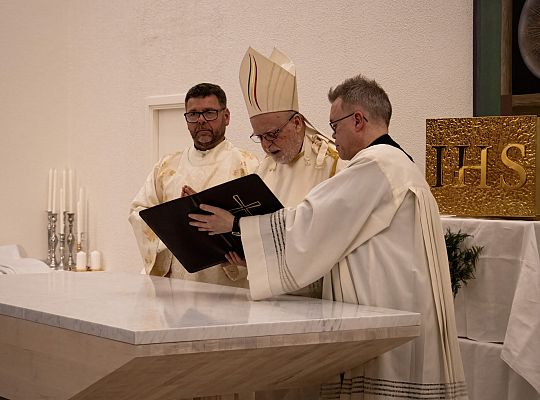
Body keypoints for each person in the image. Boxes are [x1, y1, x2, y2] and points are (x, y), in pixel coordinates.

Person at [189, 74, 468, 399]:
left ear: (359, 120)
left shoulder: (374, 166)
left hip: (385, 312)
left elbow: (312, 223)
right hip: (399, 304)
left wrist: (236, 226)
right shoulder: (399, 163)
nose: (332, 137)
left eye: (335, 126)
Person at [129, 82, 259, 288]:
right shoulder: (166, 166)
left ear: (226, 117)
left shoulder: (248, 166)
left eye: (209, 113)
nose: (201, 121)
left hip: (226, 283)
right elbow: (139, 211)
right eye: (193, 114)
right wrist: (176, 221)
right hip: (177, 283)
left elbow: (264, 222)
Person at [240, 47, 344, 301]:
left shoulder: (332, 163)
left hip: (313, 297)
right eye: (260, 137)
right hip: (269, 295)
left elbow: (325, 237)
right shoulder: (264, 168)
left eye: (273, 134)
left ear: (297, 123)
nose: (266, 145)